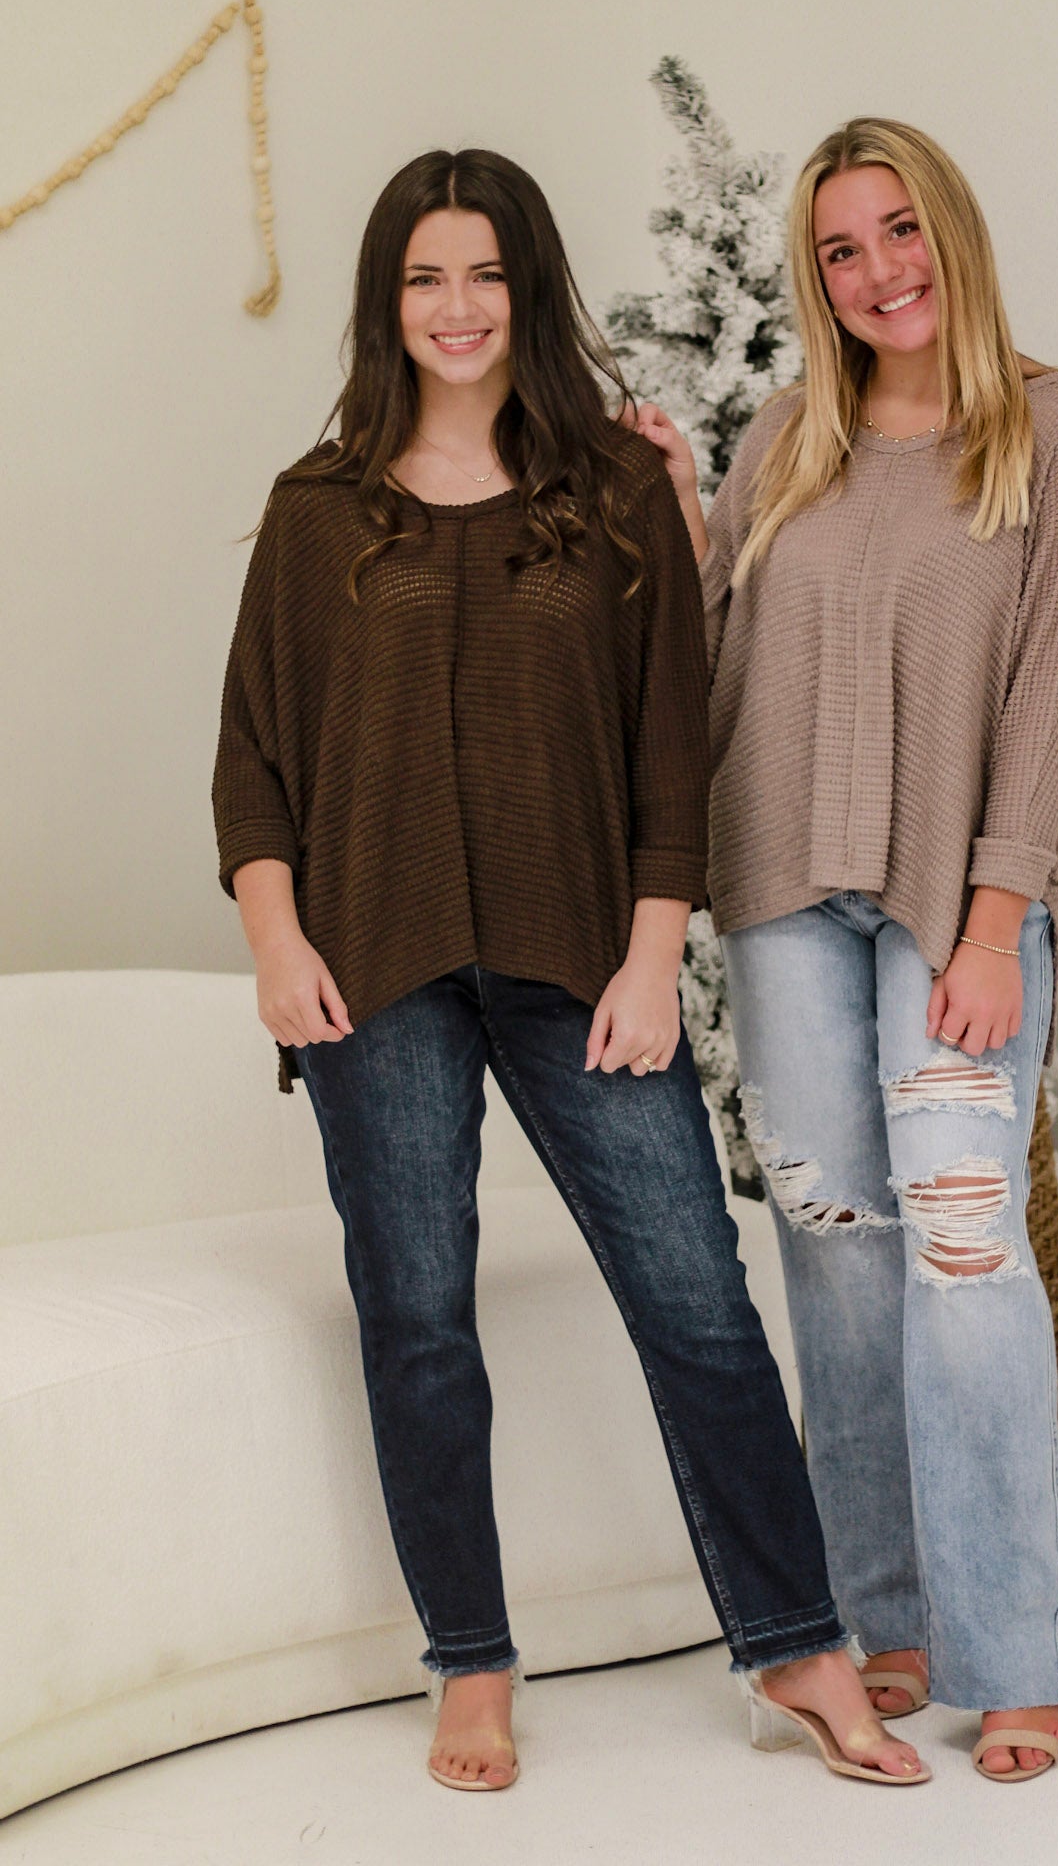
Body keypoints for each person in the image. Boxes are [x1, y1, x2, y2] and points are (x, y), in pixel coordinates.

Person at [212, 148, 927, 1793]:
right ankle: (468, 1661)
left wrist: (652, 953)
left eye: (485, 273)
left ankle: (797, 1645)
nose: (456, 307)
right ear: (388, 301)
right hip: (372, 971)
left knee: (697, 1306)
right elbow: (253, 757)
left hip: (583, 963)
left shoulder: (612, 488)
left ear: (527, 288)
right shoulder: (318, 511)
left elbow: (671, 746)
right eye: (423, 277)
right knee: (416, 1321)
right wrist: (275, 942)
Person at [632, 117, 1058, 1781]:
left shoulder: (1056, 429)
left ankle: (1012, 1658)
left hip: (953, 907)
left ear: (951, 233)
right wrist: (674, 512)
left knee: (964, 1260)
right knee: (836, 1253)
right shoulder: (789, 435)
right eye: (841, 250)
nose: (878, 272)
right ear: (817, 278)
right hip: (785, 890)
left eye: (899, 230)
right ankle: (881, 1613)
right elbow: (715, 647)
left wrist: (997, 920)